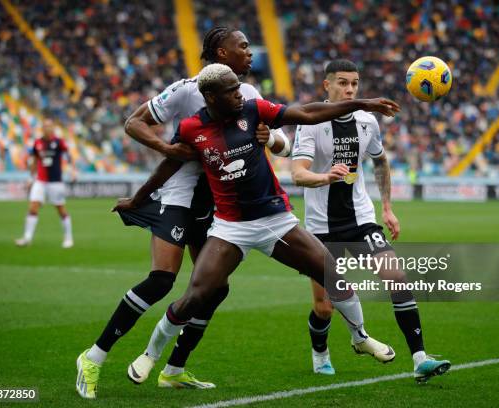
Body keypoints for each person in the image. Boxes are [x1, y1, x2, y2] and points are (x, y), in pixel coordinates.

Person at [133, 63, 402, 385]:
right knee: (196, 295)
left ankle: (360, 338)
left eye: (238, 87)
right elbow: (168, 166)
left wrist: (363, 103)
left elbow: (307, 114)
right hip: (231, 227)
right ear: (211, 97)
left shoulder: (254, 109)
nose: (239, 92)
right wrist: (138, 199)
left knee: (331, 274)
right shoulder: (192, 128)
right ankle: (150, 356)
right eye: (231, 89)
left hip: (276, 220)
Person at [75, 27, 291, 399]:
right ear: (222, 54)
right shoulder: (187, 89)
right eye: (243, 46)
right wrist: (167, 148)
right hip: (178, 196)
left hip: (219, 204)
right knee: (162, 280)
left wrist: (272, 139)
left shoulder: (250, 95)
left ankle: (174, 369)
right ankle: (93, 357)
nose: (250, 52)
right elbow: (134, 122)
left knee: (214, 289)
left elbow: (283, 144)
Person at [291, 59, 450, 382]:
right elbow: (298, 173)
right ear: (327, 85)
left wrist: (387, 207)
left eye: (354, 83)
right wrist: (325, 177)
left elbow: (379, 162)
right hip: (321, 228)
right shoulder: (309, 122)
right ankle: (320, 353)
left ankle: (420, 359)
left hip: (361, 220)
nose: (349, 89)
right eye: (342, 83)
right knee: (324, 307)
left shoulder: (368, 122)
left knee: (397, 278)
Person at [15, 119, 75, 248]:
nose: (47, 128)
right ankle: (27, 238)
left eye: (50, 126)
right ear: (42, 128)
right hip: (40, 181)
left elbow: (68, 156)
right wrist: (31, 178)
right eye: (45, 126)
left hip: (55, 182)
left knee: (61, 209)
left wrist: (72, 171)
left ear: (53, 128)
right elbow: (35, 160)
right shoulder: (37, 142)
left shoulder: (59, 142)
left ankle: (69, 238)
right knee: (33, 207)